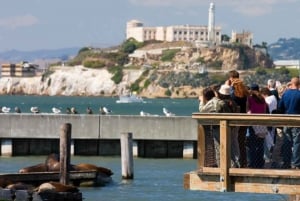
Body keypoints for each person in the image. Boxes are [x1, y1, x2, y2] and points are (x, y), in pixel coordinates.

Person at [198, 86, 226, 167]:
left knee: (218, 147)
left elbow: (202, 110)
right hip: (223, 126)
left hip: (217, 127)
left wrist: (201, 101)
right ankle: (224, 164)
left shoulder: (212, 103)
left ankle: (221, 166)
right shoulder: (218, 101)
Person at [227, 70, 249, 167]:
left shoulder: (233, 91)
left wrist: (230, 86)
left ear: (231, 78)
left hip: (235, 119)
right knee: (241, 142)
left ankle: (235, 162)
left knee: (233, 141)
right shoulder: (245, 91)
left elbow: (230, 99)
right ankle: (243, 162)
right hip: (244, 118)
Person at [277, 77, 300, 169]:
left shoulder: (285, 94)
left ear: (291, 83)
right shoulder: (299, 94)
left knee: (287, 142)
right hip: (297, 121)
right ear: (299, 84)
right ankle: (296, 163)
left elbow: (280, 107)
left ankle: (286, 162)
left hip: (286, 120)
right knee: (297, 143)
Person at [217, 84, 241, 167]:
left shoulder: (222, 104)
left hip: (225, 127)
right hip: (234, 126)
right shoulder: (233, 102)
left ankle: (228, 164)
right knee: (234, 143)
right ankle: (236, 161)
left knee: (225, 145)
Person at [246, 84, 268, 168]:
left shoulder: (250, 99)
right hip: (262, 123)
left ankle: (253, 163)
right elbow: (265, 111)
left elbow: (247, 110)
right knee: (260, 145)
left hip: (253, 124)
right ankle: (260, 163)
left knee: (252, 146)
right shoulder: (263, 99)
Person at [260, 87, 278, 167]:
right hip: (273, 120)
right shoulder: (274, 98)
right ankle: (269, 154)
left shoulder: (268, 100)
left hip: (268, 120)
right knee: (271, 137)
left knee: (267, 140)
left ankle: (267, 156)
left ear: (264, 94)